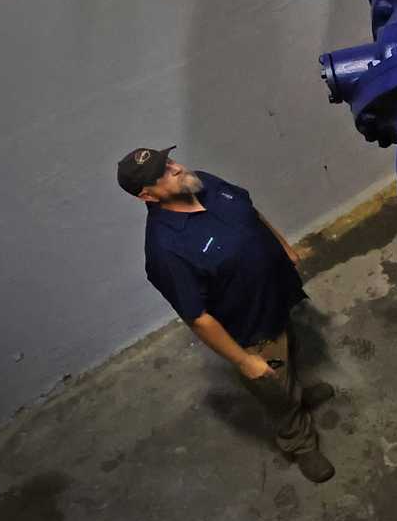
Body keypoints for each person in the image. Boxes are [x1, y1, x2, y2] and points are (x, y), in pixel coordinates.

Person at [117, 146, 336, 482]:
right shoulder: (165, 250)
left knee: (293, 351)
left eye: (168, 161)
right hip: (253, 328)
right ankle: (299, 441)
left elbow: (253, 214)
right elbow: (197, 317)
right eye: (160, 173)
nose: (174, 169)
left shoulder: (202, 181)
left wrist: (284, 248)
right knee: (273, 387)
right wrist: (244, 361)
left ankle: (300, 394)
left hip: (278, 293)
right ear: (146, 195)